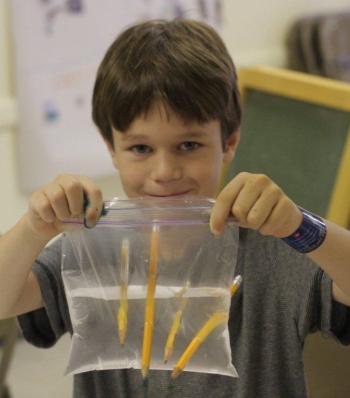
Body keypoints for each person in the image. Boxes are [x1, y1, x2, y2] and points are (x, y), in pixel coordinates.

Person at [1, 19, 350, 398]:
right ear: (111, 150)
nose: (164, 173)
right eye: (140, 148)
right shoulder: (91, 251)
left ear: (229, 141)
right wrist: (35, 227)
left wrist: (299, 226)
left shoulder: (272, 250)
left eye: (188, 145)